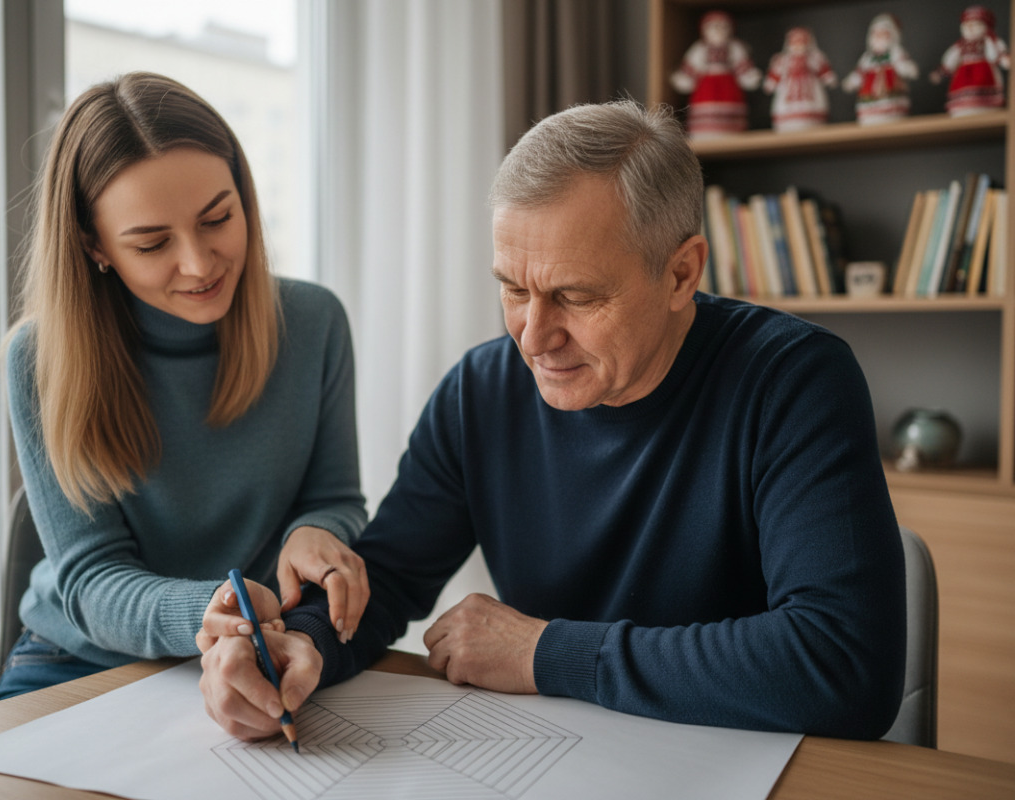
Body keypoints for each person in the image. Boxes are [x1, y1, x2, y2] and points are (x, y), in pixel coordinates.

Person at [197, 100, 906, 742]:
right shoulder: (480, 389)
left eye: (576, 296)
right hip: (559, 759)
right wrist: (304, 644)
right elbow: (388, 574)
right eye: (513, 288)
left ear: (682, 274)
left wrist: (544, 652)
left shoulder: (795, 381)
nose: (534, 337)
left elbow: (842, 668)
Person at [0, 72, 369, 701]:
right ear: (95, 246)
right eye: (152, 242)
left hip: (252, 645)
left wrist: (316, 533)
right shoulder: (40, 361)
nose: (198, 264)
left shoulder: (314, 323)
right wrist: (210, 611)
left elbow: (336, 497)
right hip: (80, 657)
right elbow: (90, 579)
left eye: (217, 218)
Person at [669, 10, 762, 138]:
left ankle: (731, 127)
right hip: (706, 86)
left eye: (723, 26)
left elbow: (742, 66)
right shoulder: (700, 49)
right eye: (713, 26)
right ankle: (704, 128)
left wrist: (749, 77)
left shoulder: (735, 47)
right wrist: (684, 79)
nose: (718, 30)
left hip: (728, 86)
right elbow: (691, 68)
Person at [931, 5, 1010, 117]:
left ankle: (985, 104)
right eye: (967, 25)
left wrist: (1003, 59)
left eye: (975, 24)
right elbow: (951, 59)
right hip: (964, 75)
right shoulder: (961, 45)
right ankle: (962, 106)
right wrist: (941, 72)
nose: (971, 28)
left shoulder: (988, 40)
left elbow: (995, 53)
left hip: (983, 72)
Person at [841, 13, 920, 125]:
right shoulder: (867, 58)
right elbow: (860, 72)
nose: (879, 37)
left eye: (883, 34)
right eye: (876, 34)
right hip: (869, 98)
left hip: (892, 95)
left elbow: (905, 66)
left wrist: (907, 69)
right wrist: (851, 82)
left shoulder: (895, 53)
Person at [763, 27, 837, 132]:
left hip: (810, 94)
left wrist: (829, 79)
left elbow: (826, 74)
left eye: (802, 42)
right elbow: (774, 77)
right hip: (788, 96)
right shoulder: (783, 60)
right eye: (795, 42)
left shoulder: (814, 58)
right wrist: (770, 83)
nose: (798, 45)